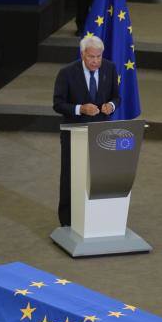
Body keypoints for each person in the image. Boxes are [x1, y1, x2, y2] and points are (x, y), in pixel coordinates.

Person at [53, 35, 120, 227]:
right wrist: (80, 109)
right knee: (70, 176)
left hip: (101, 133)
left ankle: (96, 218)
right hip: (74, 133)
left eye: (99, 56)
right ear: (83, 54)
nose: (96, 61)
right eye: (92, 57)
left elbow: (117, 96)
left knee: (98, 177)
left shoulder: (110, 68)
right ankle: (67, 222)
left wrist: (111, 106)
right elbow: (57, 104)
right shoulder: (66, 73)